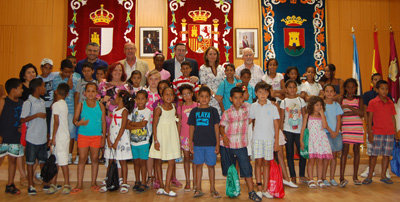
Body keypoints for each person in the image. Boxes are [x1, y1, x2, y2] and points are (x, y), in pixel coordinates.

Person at [219, 87, 262, 202]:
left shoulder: (248, 110)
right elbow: (221, 127)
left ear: (243, 98)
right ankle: (233, 190)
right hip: (227, 145)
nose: (238, 100)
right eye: (235, 98)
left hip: (241, 145)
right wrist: (224, 136)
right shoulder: (227, 113)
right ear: (231, 99)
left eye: (240, 98)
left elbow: (255, 112)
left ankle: (251, 192)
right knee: (230, 170)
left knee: (246, 168)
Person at [72, 83, 106, 193]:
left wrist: (103, 137)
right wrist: (79, 123)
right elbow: (75, 120)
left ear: (97, 93)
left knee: (95, 159)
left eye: (93, 91)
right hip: (83, 136)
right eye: (89, 91)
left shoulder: (100, 105)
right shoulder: (81, 105)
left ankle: (93, 182)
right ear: (84, 93)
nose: (91, 93)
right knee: (82, 159)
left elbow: (104, 122)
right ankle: (79, 183)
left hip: (96, 136)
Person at [363, 80, 398, 185]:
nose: (385, 91)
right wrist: (370, 131)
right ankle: (370, 176)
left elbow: (393, 118)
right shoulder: (373, 102)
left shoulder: (390, 102)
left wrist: (395, 132)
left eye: (386, 89)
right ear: (377, 90)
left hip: (389, 133)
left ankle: (383, 175)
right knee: (373, 155)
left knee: (386, 155)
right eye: (382, 88)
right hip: (377, 132)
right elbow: (370, 118)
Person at [188, 86, 221, 198]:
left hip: (211, 144)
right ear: (197, 97)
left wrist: (217, 143)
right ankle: (198, 188)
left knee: (211, 166)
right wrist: (190, 142)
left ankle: (213, 189)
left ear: (209, 98)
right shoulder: (194, 111)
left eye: (207, 96)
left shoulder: (213, 111)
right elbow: (191, 127)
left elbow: (216, 128)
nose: (204, 99)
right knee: (198, 166)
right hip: (197, 144)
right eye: (202, 96)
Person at [149, 87, 181, 197]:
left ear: (174, 97)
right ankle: (162, 185)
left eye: (171, 94)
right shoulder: (158, 108)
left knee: (171, 161)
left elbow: (175, 121)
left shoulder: (173, 107)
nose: (168, 96)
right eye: (166, 94)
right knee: (158, 161)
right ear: (162, 97)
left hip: (171, 137)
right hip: (161, 137)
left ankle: (168, 186)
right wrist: (156, 140)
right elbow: (154, 125)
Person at [250, 82, 279, 199]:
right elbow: (249, 121)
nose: (263, 94)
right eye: (260, 92)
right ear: (256, 93)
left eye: (265, 92)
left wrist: (276, 142)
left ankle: (266, 189)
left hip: (269, 139)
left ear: (269, 93)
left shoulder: (272, 107)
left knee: (267, 164)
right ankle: (259, 188)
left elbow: (276, 125)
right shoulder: (253, 106)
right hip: (257, 138)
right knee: (258, 162)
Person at [101, 90, 134, 193]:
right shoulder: (115, 110)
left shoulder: (124, 111)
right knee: (111, 160)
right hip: (112, 139)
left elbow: (123, 127)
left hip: (120, 139)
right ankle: (109, 180)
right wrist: (109, 138)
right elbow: (111, 125)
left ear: (120, 99)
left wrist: (117, 141)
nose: (114, 98)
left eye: (116, 96)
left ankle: (124, 182)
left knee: (122, 161)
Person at [20, 78, 47, 195]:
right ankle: (30, 185)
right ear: (37, 88)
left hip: (42, 138)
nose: (45, 89)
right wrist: (36, 115)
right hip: (31, 137)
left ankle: (45, 183)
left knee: (43, 162)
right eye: (43, 86)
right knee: (30, 163)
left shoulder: (42, 101)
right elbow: (22, 119)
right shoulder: (28, 102)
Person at [300, 96, 333, 188]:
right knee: (311, 160)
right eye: (317, 105)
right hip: (312, 140)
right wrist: (301, 141)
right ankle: (311, 179)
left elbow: (325, 126)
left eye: (320, 105)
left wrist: (322, 114)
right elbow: (303, 128)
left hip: (321, 139)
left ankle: (319, 179)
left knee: (320, 160)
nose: (319, 107)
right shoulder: (308, 115)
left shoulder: (322, 116)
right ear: (312, 106)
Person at [279, 80, 306, 185]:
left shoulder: (301, 100)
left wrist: (304, 130)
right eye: (290, 87)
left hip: (300, 131)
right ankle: (293, 176)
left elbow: (304, 116)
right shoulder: (284, 102)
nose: (292, 89)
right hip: (288, 130)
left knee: (302, 153)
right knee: (289, 154)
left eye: (294, 87)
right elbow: (282, 117)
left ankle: (302, 175)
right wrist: (282, 131)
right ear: (286, 89)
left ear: (297, 88)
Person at [53, 59, 79, 165]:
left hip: (71, 109)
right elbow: (55, 94)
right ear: (61, 70)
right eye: (66, 72)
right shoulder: (56, 79)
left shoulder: (76, 79)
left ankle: (69, 155)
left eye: (70, 72)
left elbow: (76, 95)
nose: (68, 74)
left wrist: (76, 111)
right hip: (59, 109)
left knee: (71, 132)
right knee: (59, 130)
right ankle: (57, 153)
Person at [0, 78, 24, 194]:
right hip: (3, 137)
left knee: (12, 160)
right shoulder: (3, 101)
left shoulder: (21, 102)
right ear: (13, 90)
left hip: (15, 137)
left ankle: (10, 184)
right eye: (20, 88)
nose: (22, 91)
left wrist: (21, 126)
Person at [339, 78, 364, 187]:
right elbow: (340, 114)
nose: (350, 89)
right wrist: (354, 112)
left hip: (357, 127)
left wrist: (349, 107)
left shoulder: (359, 99)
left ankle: (355, 176)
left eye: (353, 87)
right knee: (344, 151)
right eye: (348, 87)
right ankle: (341, 177)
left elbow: (361, 113)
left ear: (356, 88)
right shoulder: (341, 99)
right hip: (346, 127)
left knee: (356, 151)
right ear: (345, 88)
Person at [127, 90, 151, 193]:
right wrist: (134, 124)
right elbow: (127, 125)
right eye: (138, 98)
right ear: (135, 99)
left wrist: (133, 125)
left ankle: (144, 182)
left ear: (146, 100)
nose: (140, 101)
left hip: (144, 142)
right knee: (136, 162)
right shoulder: (132, 111)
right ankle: (137, 181)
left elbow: (143, 124)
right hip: (133, 142)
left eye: (142, 99)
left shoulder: (147, 111)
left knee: (143, 163)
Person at [49, 83, 71, 194]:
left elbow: (56, 122)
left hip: (59, 137)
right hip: (63, 136)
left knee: (61, 161)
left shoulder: (56, 105)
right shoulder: (63, 104)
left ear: (56, 91)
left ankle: (67, 184)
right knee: (56, 161)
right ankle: (53, 183)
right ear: (67, 94)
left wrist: (53, 137)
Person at [177, 84, 198, 191]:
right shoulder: (180, 107)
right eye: (184, 94)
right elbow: (179, 122)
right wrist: (177, 136)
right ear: (182, 96)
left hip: (195, 136)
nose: (187, 96)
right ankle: (188, 181)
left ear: (192, 94)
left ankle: (195, 181)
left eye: (188, 93)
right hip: (184, 136)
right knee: (186, 158)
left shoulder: (197, 105)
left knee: (194, 158)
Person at [322, 84, 343, 187]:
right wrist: (331, 131)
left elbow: (339, 119)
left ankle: (332, 178)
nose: (329, 93)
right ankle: (324, 178)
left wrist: (336, 131)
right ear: (324, 93)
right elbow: (324, 121)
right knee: (327, 156)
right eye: (327, 91)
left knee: (334, 156)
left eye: (331, 91)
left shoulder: (336, 105)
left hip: (336, 133)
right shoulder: (322, 105)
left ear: (335, 93)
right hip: (326, 133)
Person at [199, 46, 225, 116]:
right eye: (210, 54)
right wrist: (214, 95)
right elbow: (203, 85)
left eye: (214, 54)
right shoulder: (203, 68)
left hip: (221, 99)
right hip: (209, 98)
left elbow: (224, 82)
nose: (212, 56)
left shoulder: (221, 68)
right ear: (206, 56)